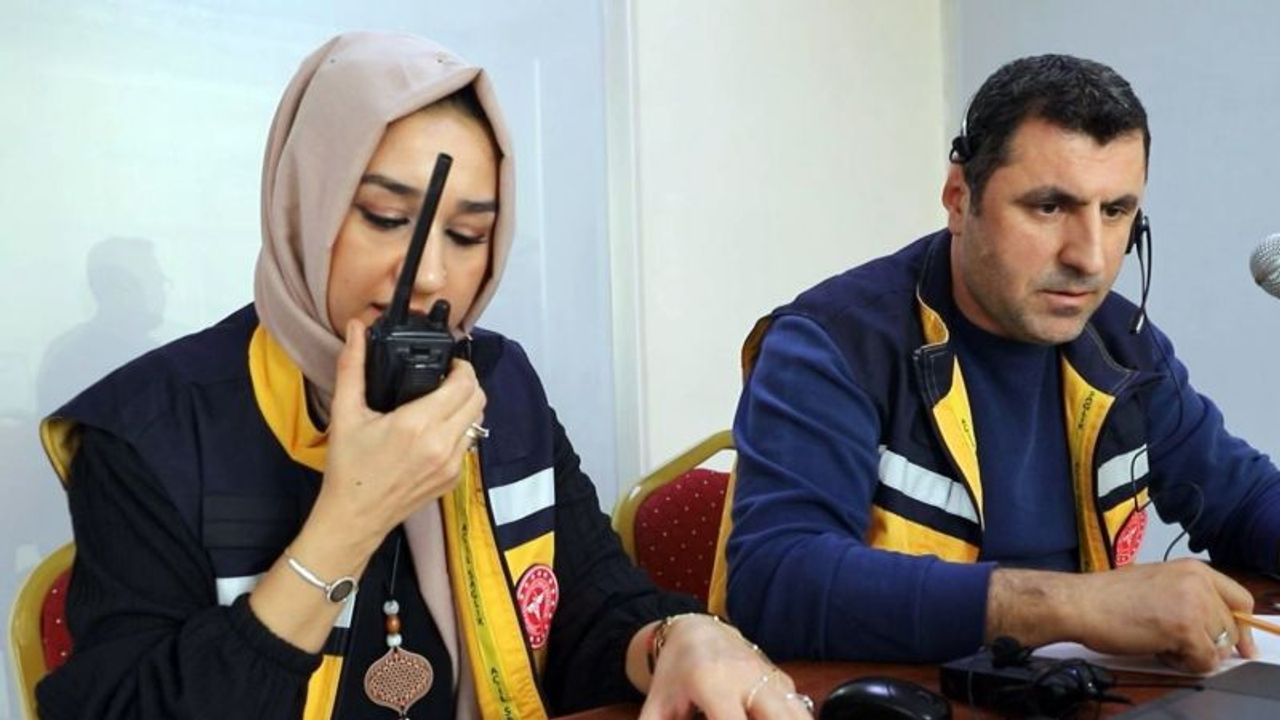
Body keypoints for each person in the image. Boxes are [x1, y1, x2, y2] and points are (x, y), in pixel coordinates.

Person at [37, 32, 812, 719]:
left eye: (468, 234)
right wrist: (349, 522)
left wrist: (676, 637)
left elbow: (588, 604)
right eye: (384, 218)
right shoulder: (151, 432)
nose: (432, 276)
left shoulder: (497, 384)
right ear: (302, 207)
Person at [713, 54, 1280, 674]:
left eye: (1115, 211)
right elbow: (778, 580)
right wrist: (1071, 605)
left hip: (1071, 697)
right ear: (959, 198)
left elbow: (1246, 500)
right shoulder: (830, 345)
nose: (1090, 258)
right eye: (1049, 207)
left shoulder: (1125, 345)